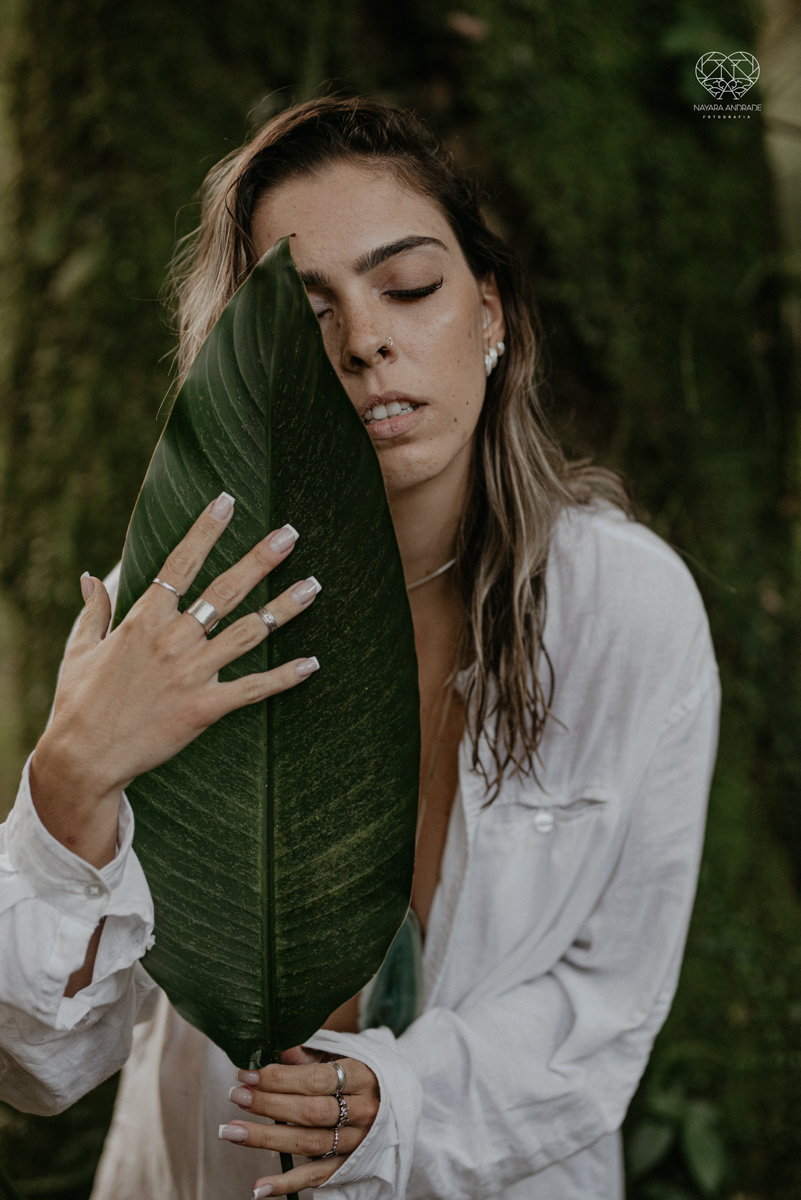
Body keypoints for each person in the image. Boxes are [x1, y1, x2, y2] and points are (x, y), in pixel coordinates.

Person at [0, 96, 719, 1200]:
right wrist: (64, 789)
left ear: (492, 314)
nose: (365, 339)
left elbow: (607, 1003)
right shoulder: (182, 625)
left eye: (411, 287)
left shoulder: (626, 612)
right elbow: (40, 1061)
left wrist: (406, 1102)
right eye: (304, 313)